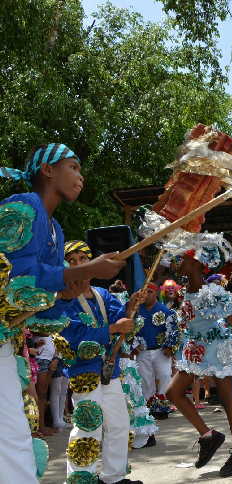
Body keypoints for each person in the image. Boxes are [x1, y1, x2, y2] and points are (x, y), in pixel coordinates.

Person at [0, 144, 124, 483]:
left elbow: (44, 304)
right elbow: (17, 281)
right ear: (48, 171)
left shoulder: (56, 231)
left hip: (7, 341)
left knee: (12, 438)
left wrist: (68, 292)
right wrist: (82, 273)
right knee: (10, 437)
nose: (80, 176)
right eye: (73, 166)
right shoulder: (23, 208)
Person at [163, 234, 232, 477]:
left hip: (218, 349)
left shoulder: (213, 292)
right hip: (195, 349)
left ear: (196, 263)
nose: (176, 262)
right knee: (173, 393)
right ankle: (208, 436)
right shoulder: (185, 292)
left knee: (227, 400)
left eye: (182, 258)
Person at [61, 240, 142, 483]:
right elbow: (73, 335)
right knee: (88, 425)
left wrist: (130, 306)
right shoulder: (64, 299)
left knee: (119, 424)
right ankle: (80, 478)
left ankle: (114, 478)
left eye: (83, 259)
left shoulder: (103, 294)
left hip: (110, 369)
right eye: (72, 261)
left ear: (92, 263)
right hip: (83, 372)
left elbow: (120, 319)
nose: (78, 265)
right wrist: (112, 329)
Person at [135, 282, 175, 417]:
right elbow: (130, 330)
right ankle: (149, 408)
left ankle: (162, 406)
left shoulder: (165, 310)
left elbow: (173, 330)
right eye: (144, 292)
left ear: (156, 293)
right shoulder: (136, 310)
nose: (146, 295)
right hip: (142, 352)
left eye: (150, 292)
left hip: (161, 351)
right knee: (145, 380)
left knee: (164, 375)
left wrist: (169, 346)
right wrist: (133, 345)